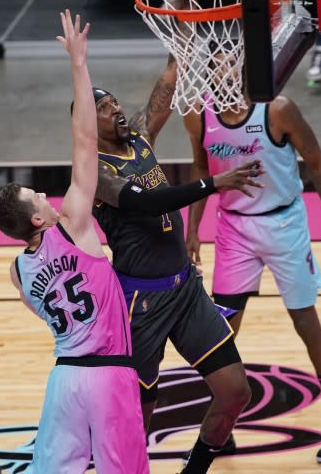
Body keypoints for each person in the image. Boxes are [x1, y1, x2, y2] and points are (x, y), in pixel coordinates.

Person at [91, 39, 268, 472]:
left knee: (235, 392)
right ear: (83, 124)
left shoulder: (140, 137)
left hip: (185, 289)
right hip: (140, 304)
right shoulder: (93, 172)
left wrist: (182, 45)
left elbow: (166, 89)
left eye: (115, 102)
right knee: (138, 419)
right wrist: (213, 183)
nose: (116, 109)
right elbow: (149, 203)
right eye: (104, 107)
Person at [0, 11, 150, 474]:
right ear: (39, 217)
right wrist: (79, 64)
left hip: (64, 380)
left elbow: (45, 301)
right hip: (109, 374)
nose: (44, 193)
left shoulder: (17, 270)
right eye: (36, 195)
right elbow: (85, 141)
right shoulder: (74, 225)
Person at [184, 65, 321, 462]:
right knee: (221, 330)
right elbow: (200, 168)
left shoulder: (278, 109)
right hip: (234, 229)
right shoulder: (198, 114)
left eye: (230, 67)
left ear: (245, 71)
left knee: (304, 320)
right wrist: (191, 229)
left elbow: (316, 160)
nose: (223, 74)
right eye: (214, 68)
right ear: (208, 74)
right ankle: (221, 428)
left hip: (284, 222)